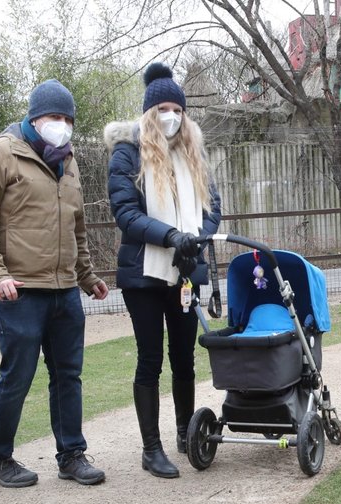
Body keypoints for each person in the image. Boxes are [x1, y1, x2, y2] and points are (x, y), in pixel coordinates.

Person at [0, 79, 109, 488]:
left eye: (66, 119)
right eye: (52, 117)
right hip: (18, 288)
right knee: (17, 375)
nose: (60, 125)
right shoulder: (0, 154)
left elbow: (75, 225)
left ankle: (72, 455)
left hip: (63, 288)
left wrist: (86, 275)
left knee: (68, 374)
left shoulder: (68, 160)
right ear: (33, 117)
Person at [105, 62, 222, 479]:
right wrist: (172, 236)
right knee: (150, 358)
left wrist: (196, 240)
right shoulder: (127, 152)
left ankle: (184, 433)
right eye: (164, 108)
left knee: (185, 358)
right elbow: (126, 213)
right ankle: (150, 448)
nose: (171, 116)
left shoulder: (193, 155)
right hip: (144, 273)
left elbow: (213, 209)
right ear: (149, 113)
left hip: (186, 270)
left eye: (178, 109)